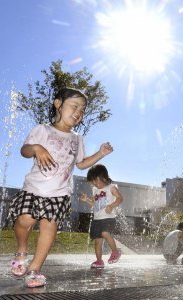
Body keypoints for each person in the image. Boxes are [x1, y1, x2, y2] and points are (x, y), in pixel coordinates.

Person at [8, 87, 113, 288]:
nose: (78, 112)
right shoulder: (43, 130)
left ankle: (35, 270)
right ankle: (22, 249)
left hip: (60, 192)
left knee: (49, 227)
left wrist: (100, 154)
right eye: (74, 106)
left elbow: (81, 163)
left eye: (82, 110)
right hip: (34, 188)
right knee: (24, 219)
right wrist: (37, 148)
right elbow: (25, 150)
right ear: (58, 104)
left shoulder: (77, 139)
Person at [80, 164, 123, 269]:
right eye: (92, 182)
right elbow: (95, 205)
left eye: (96, 181)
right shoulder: (95, 190)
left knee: (105, 233)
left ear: (104, 177)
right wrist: (86, 201)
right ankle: (99, 261)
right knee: (98, 242)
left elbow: (120, 198)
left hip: (108, 218)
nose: (94, 184)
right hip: (97, 220)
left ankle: (115, 252)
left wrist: (112, 205)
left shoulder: (111, 188)